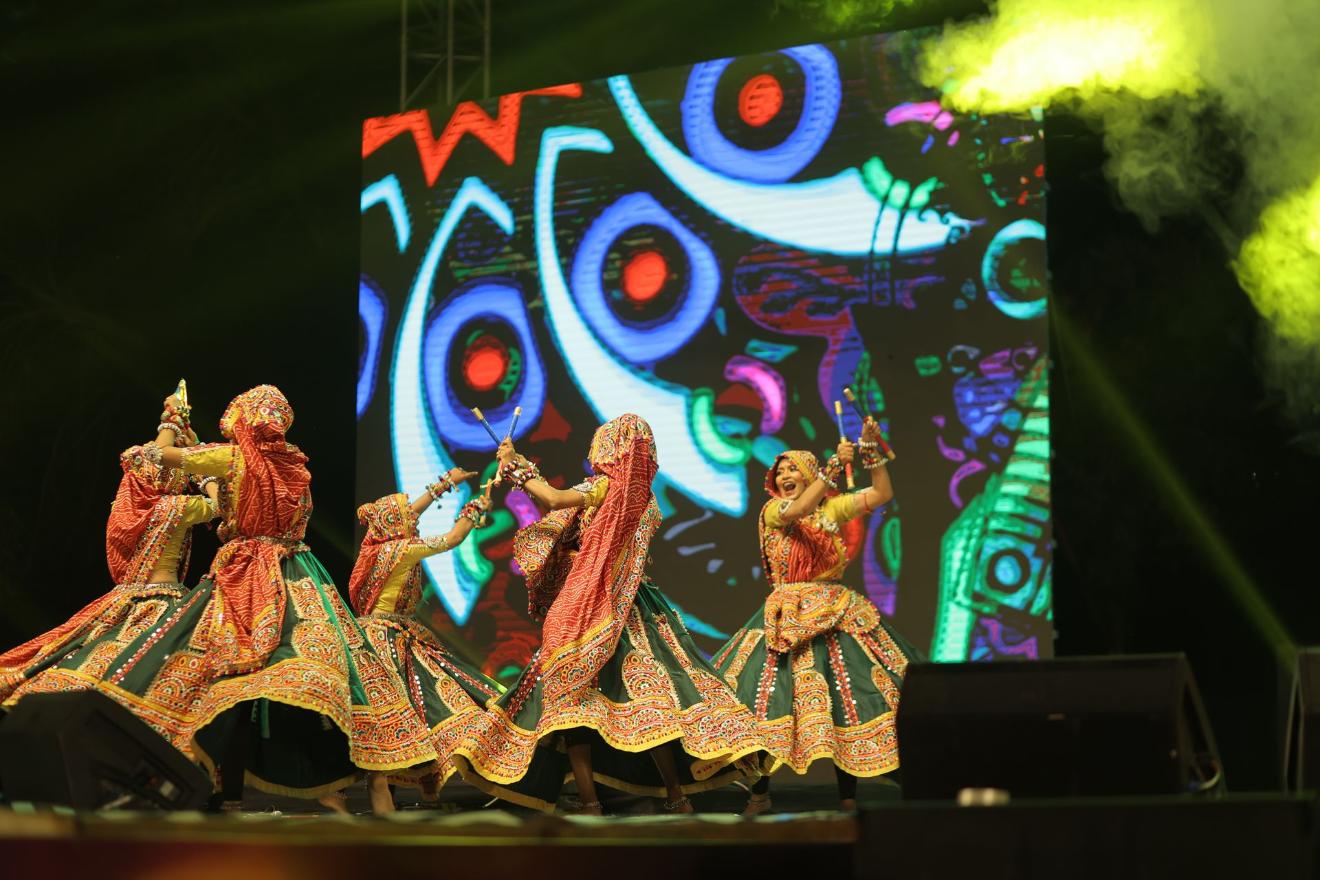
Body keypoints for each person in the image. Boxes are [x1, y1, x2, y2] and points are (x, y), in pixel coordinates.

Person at [82, 386, 438, 813]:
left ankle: (195, 773)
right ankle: (365, 782)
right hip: (299, 573)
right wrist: (203, 455)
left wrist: (171, 422)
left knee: (210, 663)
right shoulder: (293, 463)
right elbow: (227, 481)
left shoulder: (234, 458)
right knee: (336, 668)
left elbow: (156, 458)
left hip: (247, 574)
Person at [450, 414, 765, 814]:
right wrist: (525, 468)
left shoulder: (604, 488)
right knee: (652, 700)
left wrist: (515, 467)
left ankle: (590, 802)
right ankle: (676, 796)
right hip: (637, 606)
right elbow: (575, 519)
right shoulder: (644, 500)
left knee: (571, 701)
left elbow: (554, 501)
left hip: (591, 606)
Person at [711, 417, 921, 815]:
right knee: (767, 702)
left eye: (793, 469)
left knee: (848, 698)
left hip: (835, 613)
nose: (785, 475)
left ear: (807, 474)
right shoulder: (775, 510)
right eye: (781, 471)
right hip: (787, 619)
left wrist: (869, 450)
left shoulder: (831, 510)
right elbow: (801, 508)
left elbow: (882, 493)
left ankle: (848, 796)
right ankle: (760, 793)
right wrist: (833, 466)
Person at [1, 400, 217, 703]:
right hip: (162, 604)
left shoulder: (129, 509)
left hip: (122, 600)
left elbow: (153, 457)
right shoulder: (177, 507)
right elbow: (222, 504)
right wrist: (201, 461)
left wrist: (170, 424)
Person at [347, 474, 503, 803]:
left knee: (402, 714)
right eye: (407, 518)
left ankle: (395, 792)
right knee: (433, 704)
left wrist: (443, 484)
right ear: (396, 524)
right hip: (389, 643)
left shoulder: (375, 547)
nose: (413, 520)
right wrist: (475, 507)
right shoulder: (402, 550)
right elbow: (453, 538)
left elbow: (405, 514)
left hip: (371, 639)